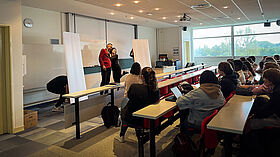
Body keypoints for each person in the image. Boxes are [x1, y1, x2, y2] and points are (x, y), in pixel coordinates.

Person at [241, 68, 280, 156]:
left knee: (249, 123)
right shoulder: (276, 88)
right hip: (275, 114)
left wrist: (252, 115)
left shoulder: (277, 92)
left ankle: (248, 150)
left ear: (270, 80)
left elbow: (266, 111)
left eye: (265, 78)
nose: (263, 80)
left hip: (278, 118)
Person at [116, 67, 160, 142]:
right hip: (147, 119)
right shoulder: (156, 90)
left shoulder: (134, 87)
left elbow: (129, 97)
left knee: (125, 107)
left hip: (133, 117)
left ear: (142, 77)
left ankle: (122, 135)